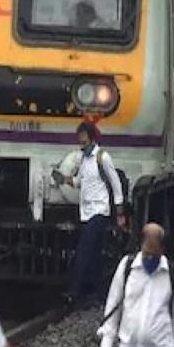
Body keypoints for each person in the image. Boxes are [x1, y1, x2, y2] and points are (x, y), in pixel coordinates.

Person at [53, 122, 127, 308]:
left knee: (83, 251)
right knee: (95, 255)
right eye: (80, 143)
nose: (82, 146)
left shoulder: (103, 158)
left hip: (99, 212)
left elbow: (116, 185)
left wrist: (120, 212)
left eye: (84, 142)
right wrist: (64, 179)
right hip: (86, 213)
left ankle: (74, 292)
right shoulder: (84, 161)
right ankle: (101, 294)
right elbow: (80, 181)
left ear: (92, 139)